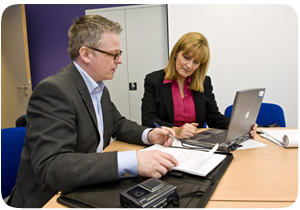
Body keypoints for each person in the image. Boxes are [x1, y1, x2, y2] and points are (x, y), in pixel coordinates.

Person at [8, 15, 178, 208]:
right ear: (86, 54)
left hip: (85, 186)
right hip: (50, 198)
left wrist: (149, 135)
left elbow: (118, 124)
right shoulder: (54, 91)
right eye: (114, 54)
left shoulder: (98, 88)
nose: (120, 60)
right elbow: (51, 167)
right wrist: (133, 161)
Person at [142, 32, 257, 139]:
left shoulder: (204, 82)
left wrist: (238, 126)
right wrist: (176, 131)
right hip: (166, 141)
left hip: (197, 143)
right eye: (186, 57)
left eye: (196, 62)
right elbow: (148, 120)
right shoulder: (153, 80)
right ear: (176, 53)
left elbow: (213, 117)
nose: (189, 66)